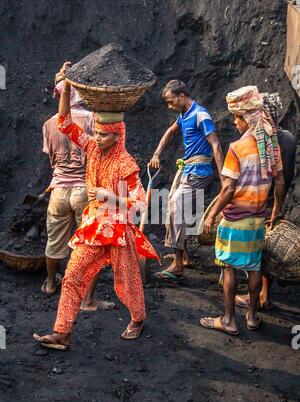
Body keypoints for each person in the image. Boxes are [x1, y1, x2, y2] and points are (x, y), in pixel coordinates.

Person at [33, 63, 159, 350]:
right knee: (73, 275)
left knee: (127, 280)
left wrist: (109, 197)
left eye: (104, 135)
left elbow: (139, 203)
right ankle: (62, 332)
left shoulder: (126, 163)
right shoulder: (91, 147)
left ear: (118, 135)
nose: (97, 137)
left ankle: (137, 318)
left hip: (117, 230)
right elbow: (64, 123)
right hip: (92, 226)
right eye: (97, 133)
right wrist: (66, 87)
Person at [200, 86, 285, 335]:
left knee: (228, 268)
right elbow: (279, 181)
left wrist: (213, 214)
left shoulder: (237, 148)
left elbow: (228, 189)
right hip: (258, 219)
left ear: (245, 118)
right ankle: (251, 316)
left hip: (235, 219)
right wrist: (276, 210)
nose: (235, 123)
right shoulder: (271, 143)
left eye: (236, 118)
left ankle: (228, 320)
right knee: (254, 267)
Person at [42, 72, 115, 311]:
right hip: (86, 190)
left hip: (59, 190)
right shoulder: (93, 119)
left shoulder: (48, 124)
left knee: (54, 242)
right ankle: (86, 299)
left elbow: (52, 159)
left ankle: (51, 283)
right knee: (90, 244)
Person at [149, 80, 224, 280]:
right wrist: (157, 153)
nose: (169, 106)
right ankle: (184, 256)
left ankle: (177, 264)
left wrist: (224, 177)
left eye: (171, 102)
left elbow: (215, 144)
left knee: (176, 206)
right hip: (188, 170)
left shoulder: (200, 114)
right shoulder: (184, 115)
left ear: (181, 96)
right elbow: (170, 131)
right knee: (174, 210)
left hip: (199, 171)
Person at [235, 92, 297, 309]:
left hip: (259, 200)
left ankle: (255, 299)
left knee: (256, 250)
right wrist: (278, 206)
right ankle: (264, 294)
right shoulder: (289, 138)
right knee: (267, 248)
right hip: (277, 201)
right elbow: (286, 176)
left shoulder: (259, 141)